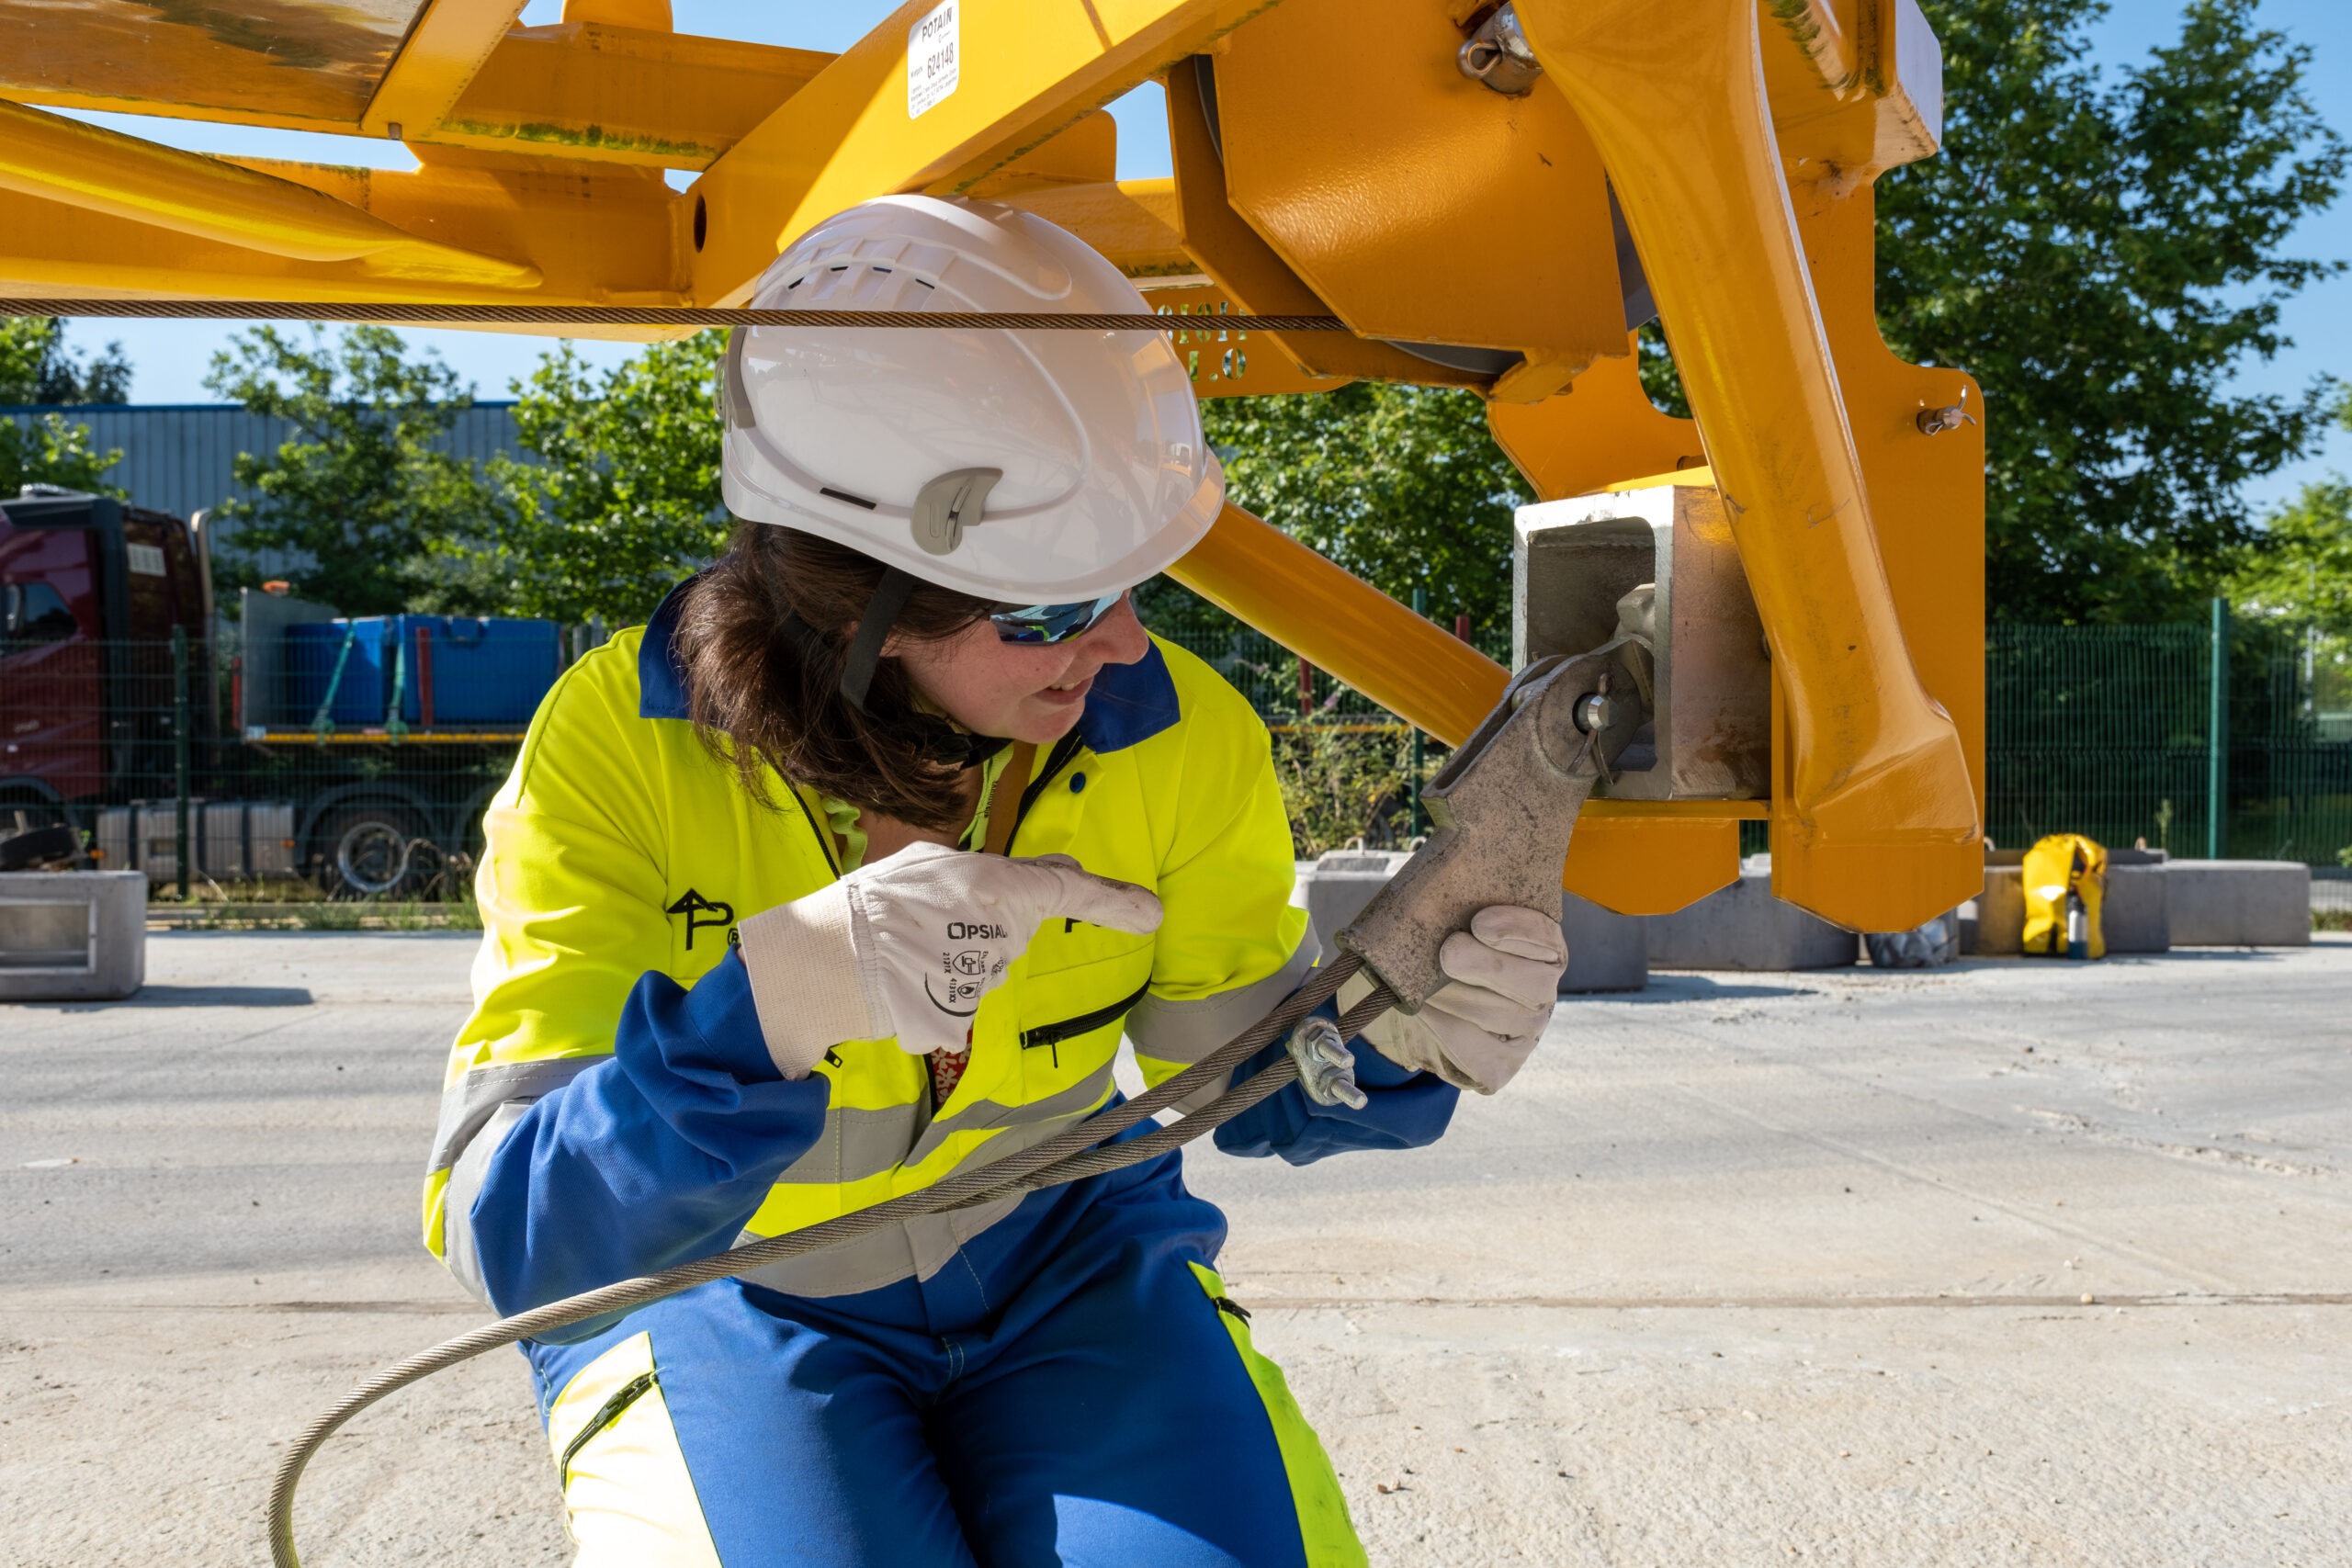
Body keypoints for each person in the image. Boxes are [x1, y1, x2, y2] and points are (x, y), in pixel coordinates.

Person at [424, 196, 1568, 1568]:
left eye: (1136, 580)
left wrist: (1400, 1037)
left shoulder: (1175, 733)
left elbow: (1247, 1078)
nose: (1125, 644)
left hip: (1070, 1265)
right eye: (1052, 606)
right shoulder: (620, 747)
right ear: (857, 604)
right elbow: (515, 1232)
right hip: (726, 1293)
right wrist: (777, 1001)